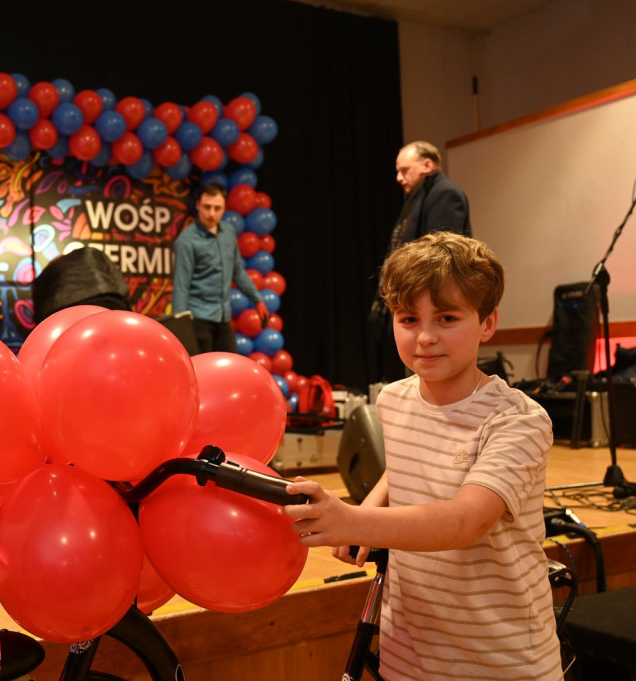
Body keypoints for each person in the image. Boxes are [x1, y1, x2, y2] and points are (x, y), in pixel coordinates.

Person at [287, 233, 562, 681]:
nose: (426, 337)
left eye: (447, 318)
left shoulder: (518, 420)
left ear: (487, 323)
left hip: (501, 660)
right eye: (409, 319)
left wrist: (352, 521)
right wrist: (372, 502)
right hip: (407, 654)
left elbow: (464, 521)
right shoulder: (394, 400)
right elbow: (407, 463)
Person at [368, 141, 472, 384]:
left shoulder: (444, 193)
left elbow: (442, 255)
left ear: (427, 165)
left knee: (429, 383)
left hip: (431, 305)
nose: (399, 178)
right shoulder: (419, 198)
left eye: (404, 170)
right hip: (417, 305)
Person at [172, 182, 268, 353]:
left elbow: (238, 271)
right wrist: (181, 329)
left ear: (224, 208)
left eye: (217, 208)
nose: (211, 213)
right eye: (207, 207)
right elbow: (181, 286)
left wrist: (257, 300)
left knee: (231, 365)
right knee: (202, 368)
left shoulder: (228, 233)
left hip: (223, 318)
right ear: (198, 205)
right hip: (198, 320)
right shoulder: (187, 241)